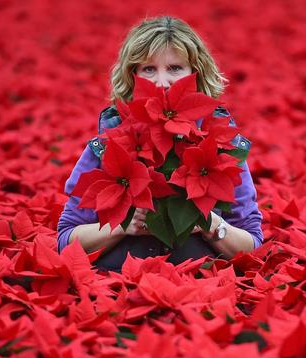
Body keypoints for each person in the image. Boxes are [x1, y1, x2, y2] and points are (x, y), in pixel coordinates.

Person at [57, 16, 263, 271]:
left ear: (196, 75)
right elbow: (65, 240)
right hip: (121, 289)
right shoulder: (106, 146)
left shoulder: (223, 147)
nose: (162, 82)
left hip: (200, 293)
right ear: (133, 77)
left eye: (175, 68)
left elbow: (253, 244)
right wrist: (123, 226)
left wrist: (210, 224)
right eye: (149, 69)